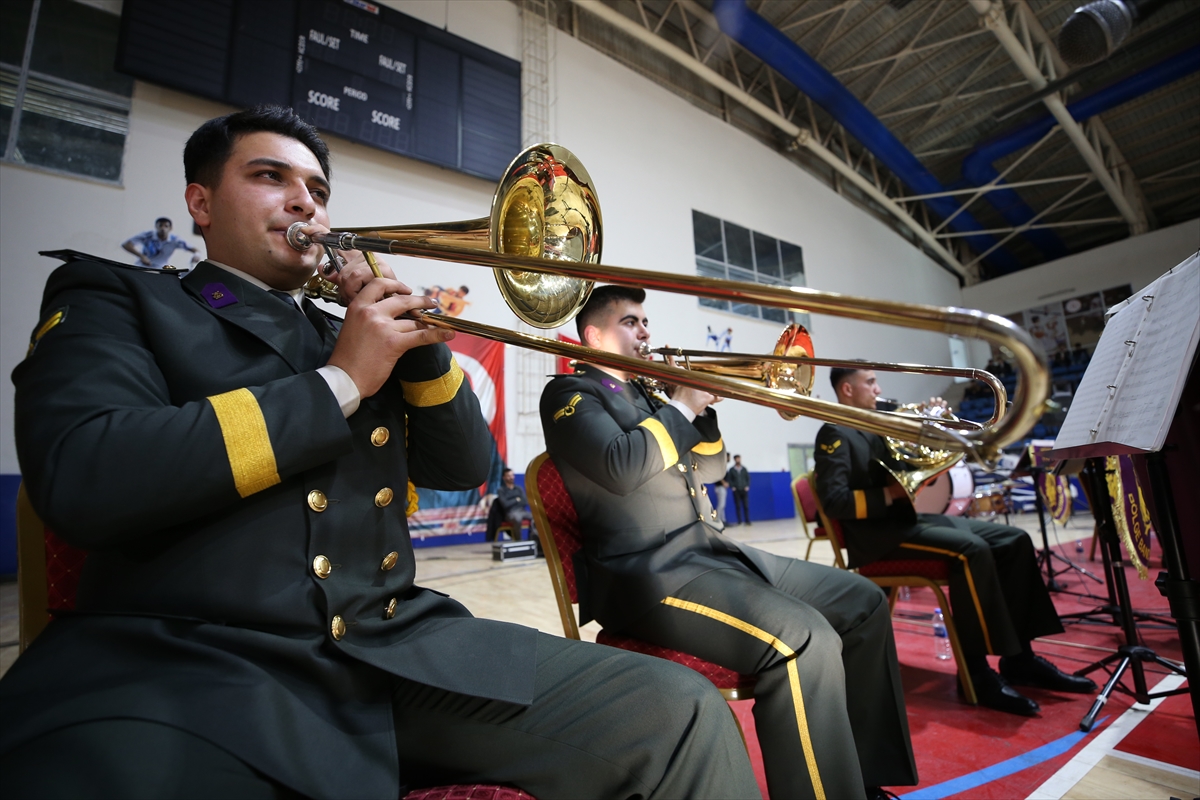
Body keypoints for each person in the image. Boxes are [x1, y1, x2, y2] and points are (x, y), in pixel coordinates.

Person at [1, 106, 759, 800]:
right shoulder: (122, 299)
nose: (306, 203)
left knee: (679, 713)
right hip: (191, 666)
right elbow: (83, 472)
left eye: (318, 189)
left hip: (394, 650)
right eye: (271, 177)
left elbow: (462, 469)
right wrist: (340, 381)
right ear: (200, 205)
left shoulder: (353, 329)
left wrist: (423, 349)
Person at [540, 285, 918, 800]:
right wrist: (680, 405)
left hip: (712, 554)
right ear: (594, 336)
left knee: (863, 601)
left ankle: (864, 778)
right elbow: (620, 466)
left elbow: (712, 468)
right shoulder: (570, 394)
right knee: (804, 638)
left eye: (645, 321)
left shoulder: (650, 394)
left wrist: (703, 406)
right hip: (649, 577)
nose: (646, 331)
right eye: (631, 322)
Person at [814, 367, 1097, 717]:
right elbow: (834, 501)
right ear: (847, 388)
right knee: (970, 552)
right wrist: (889, 494)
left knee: (1015, 539)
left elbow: (915, 460)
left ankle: (1021, 659)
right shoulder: (835, 432)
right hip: (877, 538)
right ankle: (976, 674)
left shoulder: (883, 419)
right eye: (870, 382)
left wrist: (934, 428)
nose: (878, 388)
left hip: (907, 522)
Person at [122, 216, 201, 268]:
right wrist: (141, 256)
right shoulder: (147, 235)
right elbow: (126, 244)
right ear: (156, 227)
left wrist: (196, 255)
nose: (163, 228)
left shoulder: (175, 239)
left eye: (166, 226)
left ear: (170, 228)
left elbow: (195, 250)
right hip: (142, 266)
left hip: (160, 268)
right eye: (160, 226)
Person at [488, 467, 533, 540]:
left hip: (522, 511)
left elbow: (525, 502)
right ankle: (519, 541)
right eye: (508, 476)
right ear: (504, 477)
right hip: (510, 513)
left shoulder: (519, 488)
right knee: (517, 518)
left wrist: (512, 501)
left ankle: (532, 540)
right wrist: (517, 499)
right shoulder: (501, 490)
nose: (511, 477)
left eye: (512, 475)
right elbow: (505, 505)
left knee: (536, 518)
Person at [726, 453, 751, 525]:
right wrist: (733, 486)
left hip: (744, 489)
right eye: (737, 459)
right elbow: (730, 479)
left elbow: (747, 478)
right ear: (734, 460)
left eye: (739, 458)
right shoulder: (731, 470)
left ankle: (747, 520)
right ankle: (739, 521)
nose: (738, 460)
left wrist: (747, 486)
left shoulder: (744, 469)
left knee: (746, 505)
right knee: (738, 506)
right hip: (736, 490)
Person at [713, 453, 730, 524]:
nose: (729, 458)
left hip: (722, 488)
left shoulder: (724, 466)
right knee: (721, 505)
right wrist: (724, 483)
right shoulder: (720, 465)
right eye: (728, 457)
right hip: (720, 487)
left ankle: (723, 520)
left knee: (722, 505)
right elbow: (718, 475)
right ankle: (718, 520)